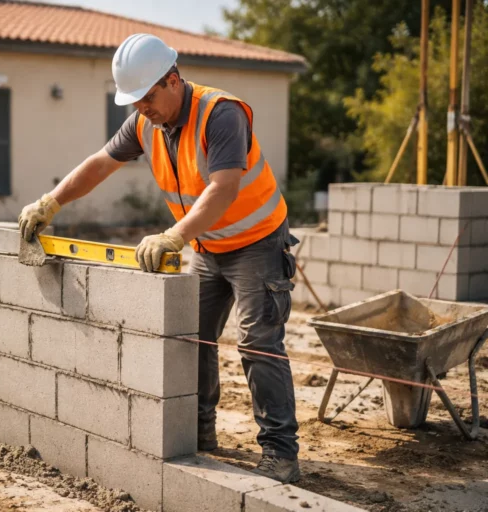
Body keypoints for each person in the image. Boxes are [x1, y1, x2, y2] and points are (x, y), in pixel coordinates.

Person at [18, 33, 301, 483]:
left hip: (257, 243)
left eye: (147, 97)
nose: (142, 107)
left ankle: (280, 453)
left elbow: (224, 187)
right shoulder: (144, 123)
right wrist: (51, 203)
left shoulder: (220, 113)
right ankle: (199, 432)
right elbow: (100, 164)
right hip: (207, 246)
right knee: (193, 339)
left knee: (257, 343)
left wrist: (174, 236)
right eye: (134, 101)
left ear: (173, 79)